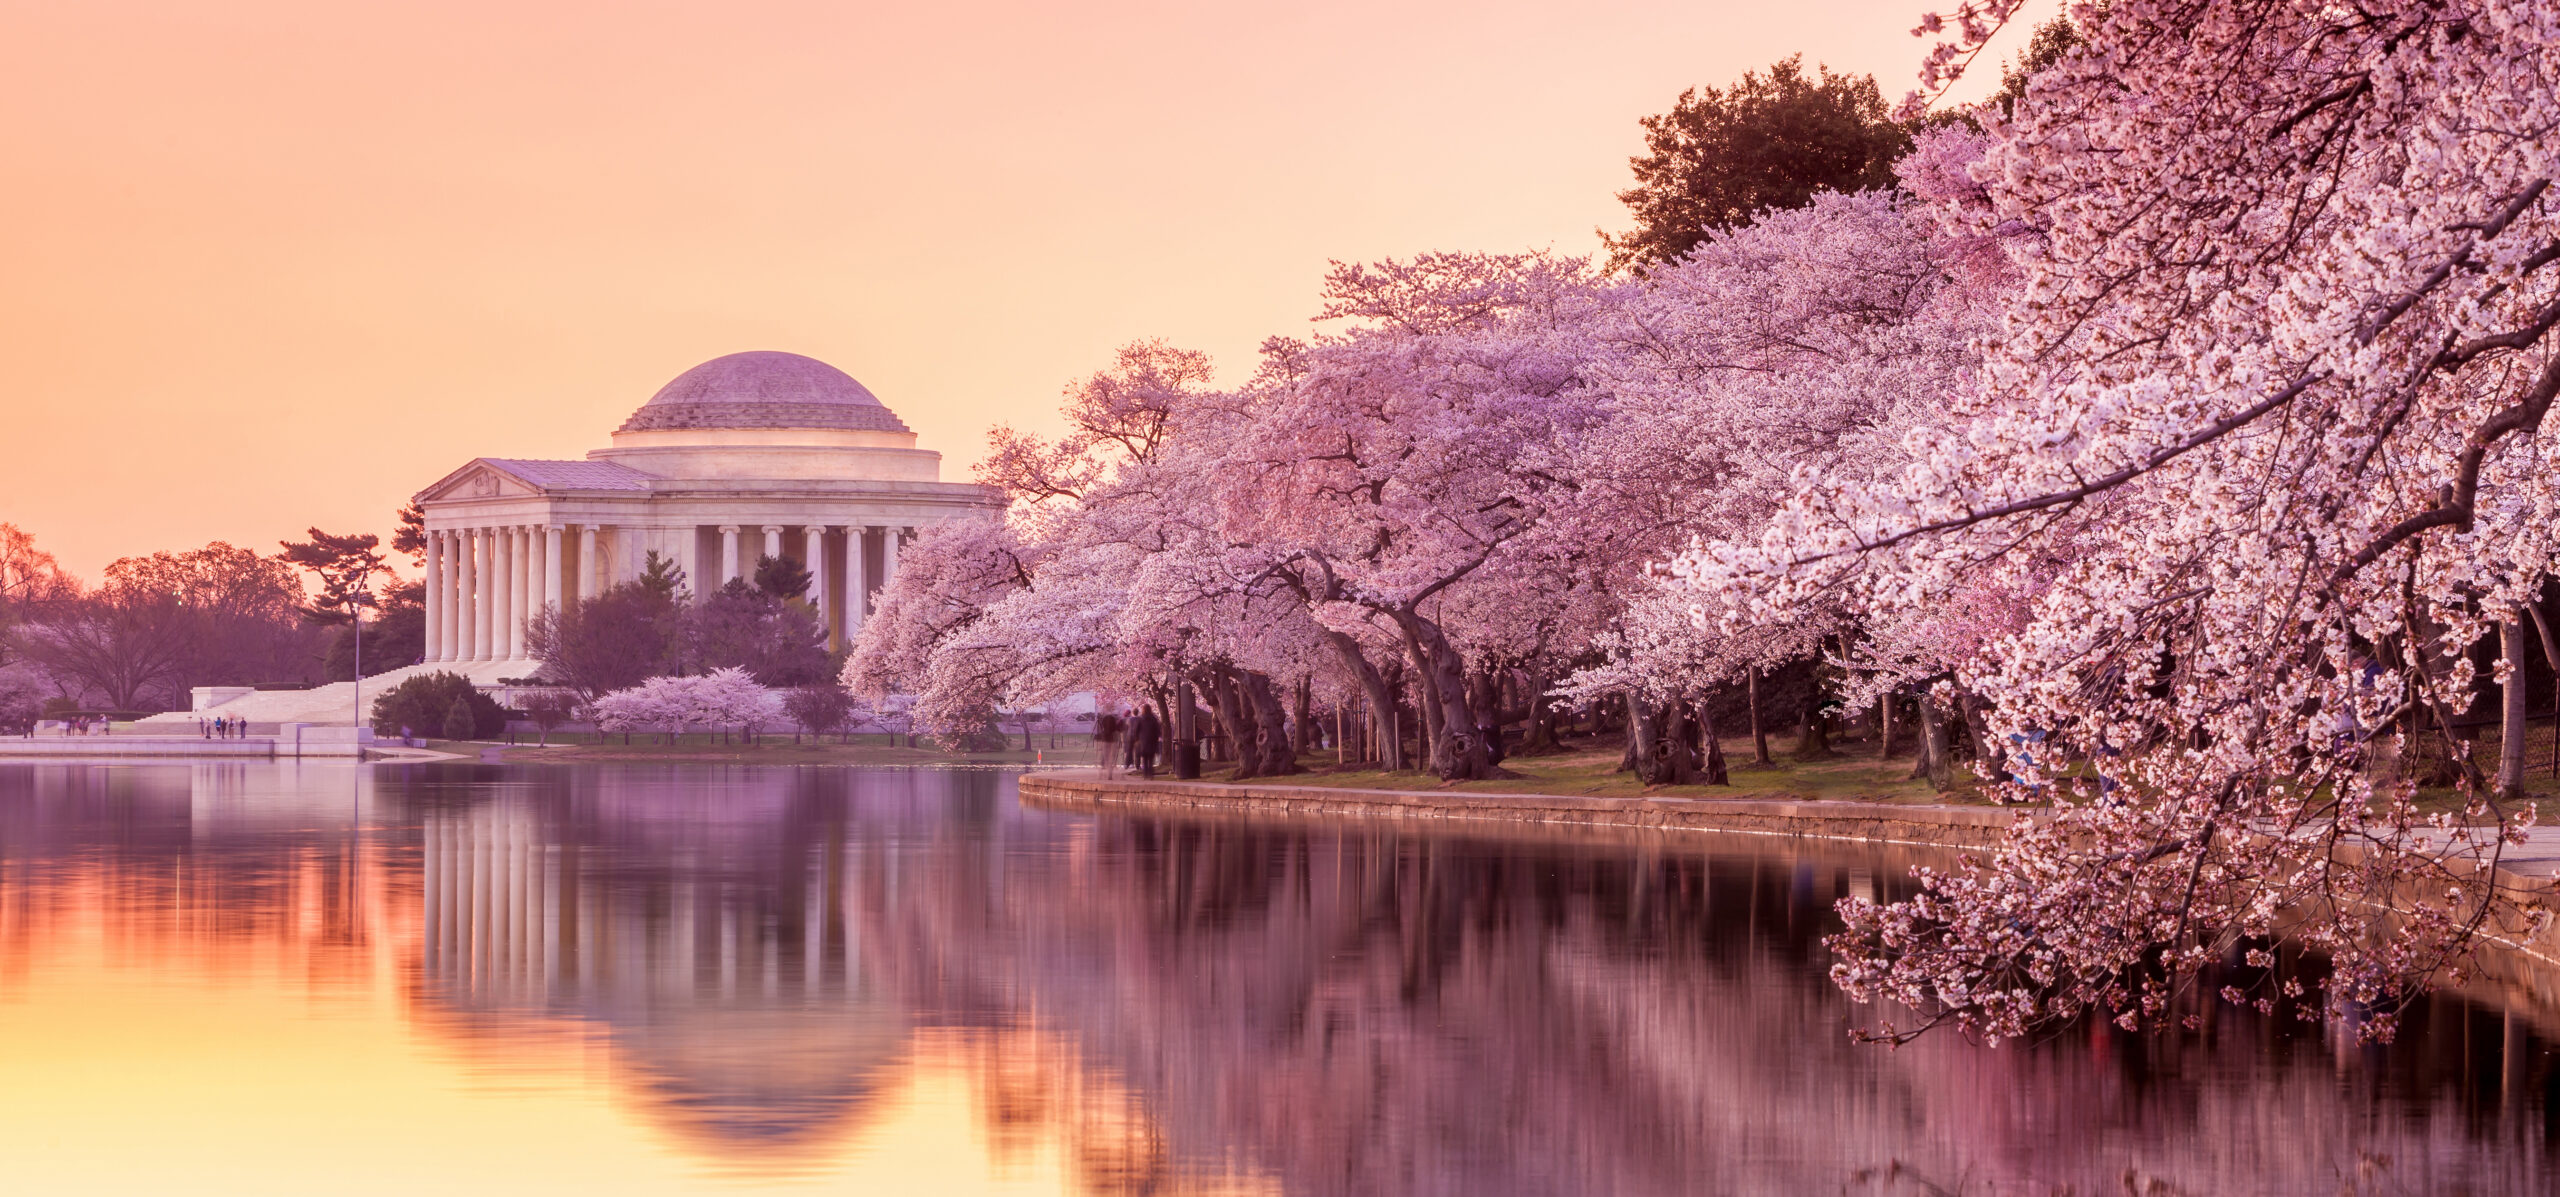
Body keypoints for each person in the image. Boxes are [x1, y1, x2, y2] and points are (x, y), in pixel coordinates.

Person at [1130, 706, 1162, 779]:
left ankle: (1145, 774)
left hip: (1143, 741)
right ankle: (1150, 774)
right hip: (1152, 741)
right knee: (1150, 759)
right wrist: (1157, 737)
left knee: (1144, 759)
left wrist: (1136, 738)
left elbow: (1136, 730)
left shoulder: (1140, 719)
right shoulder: (1154, 719)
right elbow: (1157, 730)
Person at [1094, 708, 1125, 777]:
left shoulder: (1104, 720)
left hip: (1105, 740)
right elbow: (1117, 728)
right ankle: (1110, 772)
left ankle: (1107, 771)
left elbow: (1101, 728)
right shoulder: (1114, 720)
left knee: (1106, 757)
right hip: (1113, 740)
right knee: (1112, 757)